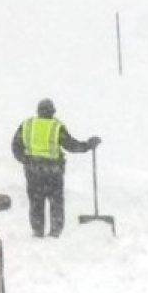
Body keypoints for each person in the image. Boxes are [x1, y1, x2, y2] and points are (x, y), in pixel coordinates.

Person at [11, 98, 101, 238]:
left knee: (36, 202)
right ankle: (55, 231)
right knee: (56, 201)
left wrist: (26, 160)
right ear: (52, 111)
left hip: (33, 172)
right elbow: (71, 145)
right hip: (53, 173)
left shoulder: (27, 124)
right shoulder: (56, 127)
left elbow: (16, 146)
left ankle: (37, 230)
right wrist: (88, 145)